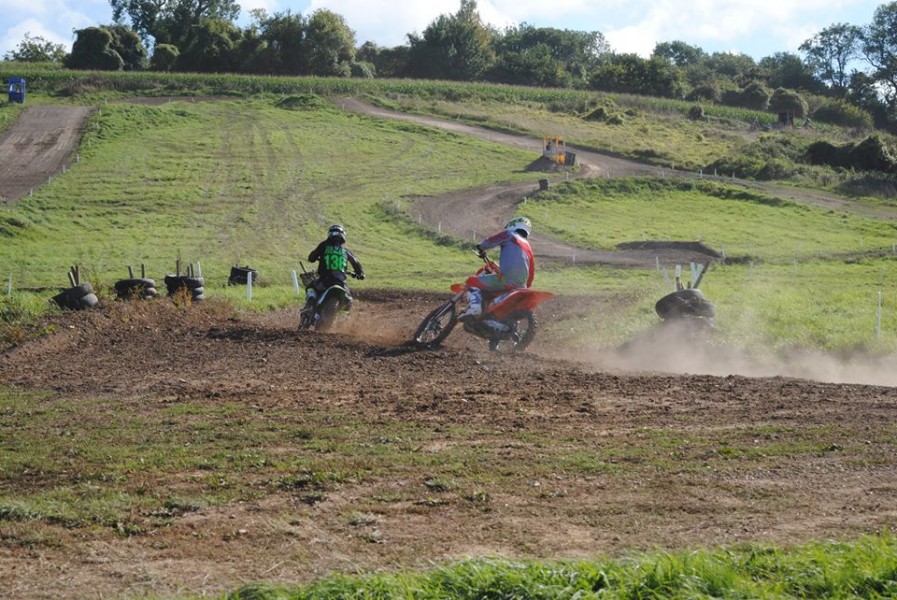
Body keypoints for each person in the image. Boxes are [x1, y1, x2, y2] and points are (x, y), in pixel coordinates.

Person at [458, 216, 534, 321]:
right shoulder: (528, 248)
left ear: (512, 225)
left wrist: (481, 247)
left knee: (472, 281)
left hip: (506, 280)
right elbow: (530, 275)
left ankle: (475, 309)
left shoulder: (509, 234)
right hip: (521, 286)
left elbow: (491, 241)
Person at [303, 224, 365, 315]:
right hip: (341, 282)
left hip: (325, 280)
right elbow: (355, 263)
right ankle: (343, 319)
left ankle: (310, 306)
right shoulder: (346, 250)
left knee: (310, 287)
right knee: (348, 301)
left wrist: (314, 257)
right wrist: (360, 274)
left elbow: (311, 258)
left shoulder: (324, 245)